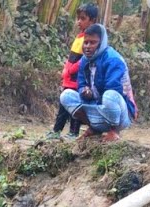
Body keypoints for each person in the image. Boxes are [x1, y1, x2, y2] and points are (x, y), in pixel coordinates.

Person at [60, 23, 137, 141]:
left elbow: (113, 88)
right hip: (98, 109)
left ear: (102, 43)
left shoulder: (113, 59)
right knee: (66, 95)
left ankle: (114, 131)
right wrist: (84, 91)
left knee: (109, 95)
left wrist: (93, 97)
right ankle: (94, 128)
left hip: (120, 114)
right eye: (86, 42)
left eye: (93, 42)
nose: (87, 46)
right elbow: (81, 84)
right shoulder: (84, 60)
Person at [47, 4, 100, 140]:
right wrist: (65, 70)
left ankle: (73, 132)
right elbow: (72, 57)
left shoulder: (89, 40)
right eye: (78, 18)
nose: (79, 22)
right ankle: (56, 131)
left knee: (75, 108)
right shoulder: (79, 37)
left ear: (92, 20)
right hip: (68, 78)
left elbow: (84, 60)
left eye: (83, 19)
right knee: (62, 108)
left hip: (77, 80)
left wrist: (70, 70)